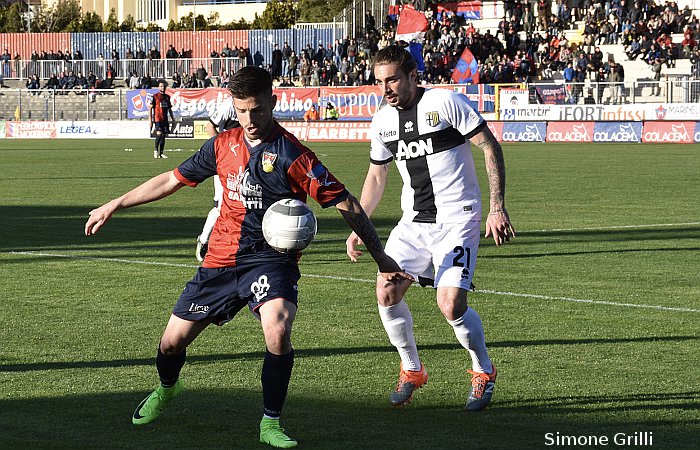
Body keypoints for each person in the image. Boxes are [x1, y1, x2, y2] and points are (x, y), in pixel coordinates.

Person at [84, 66, 411, 449]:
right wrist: (115, 203)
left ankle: (270, 422)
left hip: (271, 261)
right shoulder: (223, 145)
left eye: (256, 110)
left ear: (272, 102)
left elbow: (347, 203)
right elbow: (171, 179)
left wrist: (383, 260)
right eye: (241, 111)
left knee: (278, 327)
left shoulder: (294, 154)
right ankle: (167, 388)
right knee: (171, 344)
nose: (250, 120)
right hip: (220, 259)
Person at [346, 45, 515, 411]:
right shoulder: (382, 121)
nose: (385, 88)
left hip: (459, 218)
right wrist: (362, 221)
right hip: (413, 223)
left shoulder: (446, 102)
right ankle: (412, 370)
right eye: (379, 81)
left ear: (412, 76)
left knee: (450, 302)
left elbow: (489, 146)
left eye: (392, 79)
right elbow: (378, 174)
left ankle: (483, 371)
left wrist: (497, 207)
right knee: (386, 292)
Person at [196, 96, 239, 262]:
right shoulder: (229, 104)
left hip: (249, 160)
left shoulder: (257, 104)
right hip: (226, 161)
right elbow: (210, 126)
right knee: (222, 207)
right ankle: (204, 240)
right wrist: (222, 149)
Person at [150, 80, 175, 159]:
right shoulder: (155, 96)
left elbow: (169, 109)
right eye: (161, 86)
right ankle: (155, 150)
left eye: (164, 86)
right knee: (159, 134)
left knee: (163, 135)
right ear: (159, 87)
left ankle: (161, 153)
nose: (163, 87)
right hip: (158, 118)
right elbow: (150, 108)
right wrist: (150, 120)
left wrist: (173, 119)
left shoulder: (167, 97)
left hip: (165, 119)